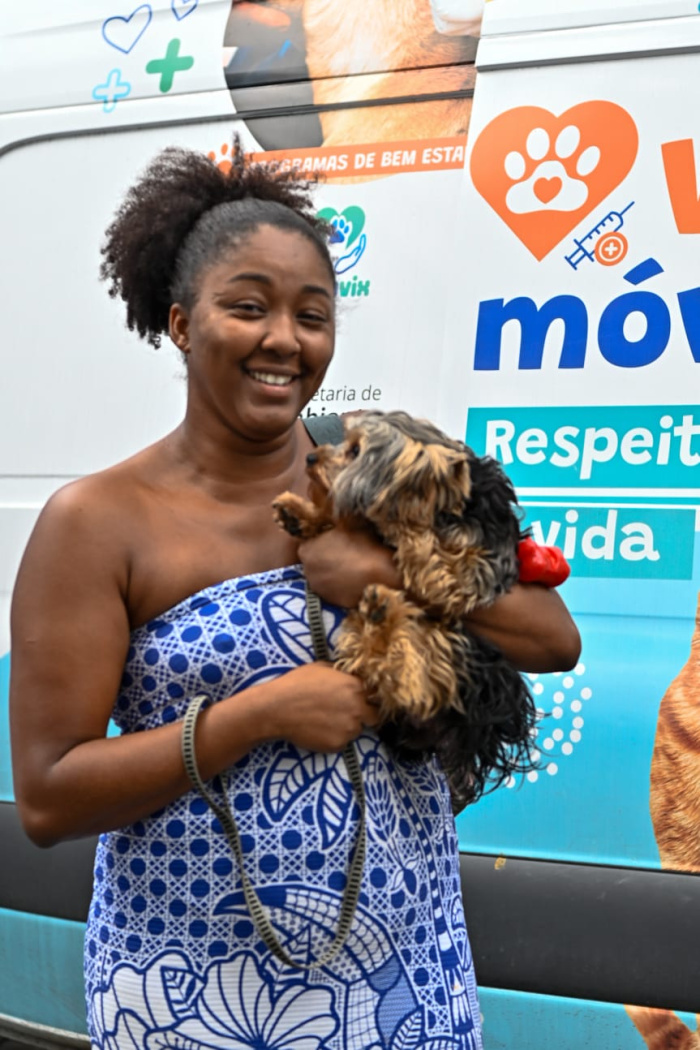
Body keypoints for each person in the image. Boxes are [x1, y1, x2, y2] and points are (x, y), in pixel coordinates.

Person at [10, 140, 580, 1050]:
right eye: (248, 307)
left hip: (407, 982)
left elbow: (553, 637)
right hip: (190, 994)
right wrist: (258, 714)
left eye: (313, 315)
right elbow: (47, 798)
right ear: (182, 323)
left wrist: (381, 571)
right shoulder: (97, 522)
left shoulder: (386, 471)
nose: (285, 338)